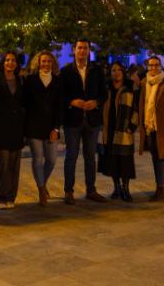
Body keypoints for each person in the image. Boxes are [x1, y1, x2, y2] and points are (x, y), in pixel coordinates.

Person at [60, 39, 108, 204]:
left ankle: (91, 190)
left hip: (92, 120)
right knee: (71, 156)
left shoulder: (97, 70)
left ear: (89, 50)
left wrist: (96, 103)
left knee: (90, 157)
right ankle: (68, 191)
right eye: (79, 48)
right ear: (74, 50)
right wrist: (72, 101)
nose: (82, 51)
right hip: (73, 120)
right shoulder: (66, 71)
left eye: (85, 48)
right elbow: (61, 95)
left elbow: (104, 94)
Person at [23, 50, 62, 207]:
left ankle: (42, 183)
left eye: (48, 61)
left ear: (52, 64)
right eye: (43, 61)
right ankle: (41, 190)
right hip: (33, 127)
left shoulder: (58, 81)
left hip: (51, 128)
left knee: (51, 160)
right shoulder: (30, 80)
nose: (46, 64)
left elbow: (60, 108)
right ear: (38, 63)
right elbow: (24, 103)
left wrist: (56, 128)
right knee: (38, 160)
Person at [0, 52, 25, 210]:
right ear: (3, 62)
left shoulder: (21, 79)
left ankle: (11, 197)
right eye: (8, 60)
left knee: (14, 164)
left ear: (17, 64)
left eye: (13, 60)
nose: (10, 63)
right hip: (0, 125)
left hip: (17, 126)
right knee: (3, 163)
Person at [138, 56, 164, 202]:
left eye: (156, 65)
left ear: (160, 66)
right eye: (151, 65)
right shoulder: (144, 83)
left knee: (161, 156)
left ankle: (160, 187)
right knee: (155, 156)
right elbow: (142, 102)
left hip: (162, 127)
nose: (153, 68)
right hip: (149, 126)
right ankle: (159, 186)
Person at [99, 62, 138, 202]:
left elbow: (136, 108)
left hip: (123, 131)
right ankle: (116, 187)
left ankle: (126, 188)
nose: (116, 73)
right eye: (113, 70)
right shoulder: (107, 89)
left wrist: (132, 126)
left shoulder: (129, 88)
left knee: (125, 161)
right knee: (112, 161)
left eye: (118, 70)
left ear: (123, 72)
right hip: (109, 130)